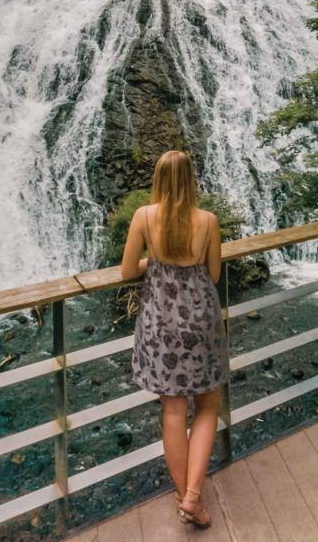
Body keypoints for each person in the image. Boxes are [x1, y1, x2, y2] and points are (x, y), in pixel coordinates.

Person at [120, 149, 230, 528]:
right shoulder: (209, 221)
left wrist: (154, 262)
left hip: (160, 323)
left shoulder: (144, 217)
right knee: (208, 406)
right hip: (201, 322)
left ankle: (186, 499)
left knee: (172, 411)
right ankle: (194, 496)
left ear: (158, 180)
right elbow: (213, 273)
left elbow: (125, 271)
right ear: (190, 181)